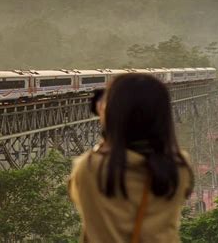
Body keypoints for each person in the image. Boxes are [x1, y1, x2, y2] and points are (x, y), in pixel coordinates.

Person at [68, 73, 193, 243]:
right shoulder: (180, 167)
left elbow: (76, 193)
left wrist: (108, 127)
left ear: (113, 113)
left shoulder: (89, 168)